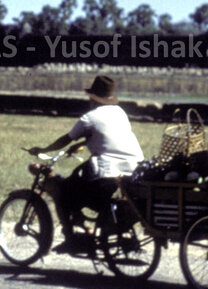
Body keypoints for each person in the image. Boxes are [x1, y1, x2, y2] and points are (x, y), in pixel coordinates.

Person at [25, 75, 145, 254]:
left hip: (106, 171)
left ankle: (70, 238)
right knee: (79, 184)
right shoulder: (120, 113)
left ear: (92, 98)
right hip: (134, 169)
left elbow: (66, 138)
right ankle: (88, 231)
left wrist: (44, 149)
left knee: (64, 195)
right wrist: (83, 143)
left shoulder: (89, 118)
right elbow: (107, 136)